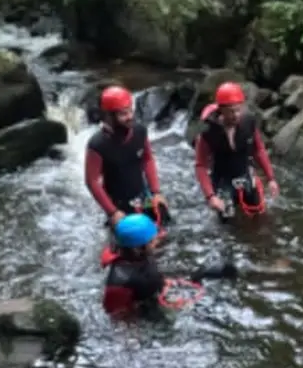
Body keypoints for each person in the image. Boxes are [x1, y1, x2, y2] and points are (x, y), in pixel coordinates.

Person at [103, 214, 236, 316]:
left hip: (156, 291)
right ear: (137, 248)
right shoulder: (120, 283)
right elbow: (119, 317)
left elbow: (150, 274)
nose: (156, 242)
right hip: (146, 309)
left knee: (201, 277)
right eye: (152, 241)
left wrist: (167, 283)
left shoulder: (140, 254)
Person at [85, 86, 169, 232]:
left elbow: (148, 159)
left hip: (143, 196)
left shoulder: (140, 132)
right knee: (134, 240)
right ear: (108, 117)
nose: (130, 117)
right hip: (119, 204)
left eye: (130, 111)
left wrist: (156, 192)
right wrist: (112, 212)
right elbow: (92, 181)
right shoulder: (98, 145)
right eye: (123, 114)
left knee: (164, 226)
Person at [195, 82, 280, 219]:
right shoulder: (208, 130)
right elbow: (201, 165)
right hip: (221, 178)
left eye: (238, 110)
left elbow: (259, 150)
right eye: (230, 111)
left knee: (259, 217)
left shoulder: (248, 122)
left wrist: (271, 178)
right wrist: (210, 196)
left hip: (244, 173)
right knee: (226, 223)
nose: (235, 115)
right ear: (221, 110)